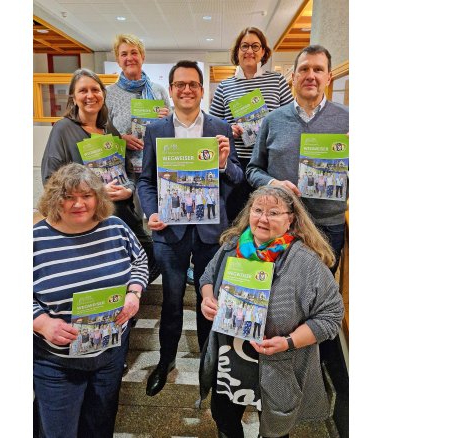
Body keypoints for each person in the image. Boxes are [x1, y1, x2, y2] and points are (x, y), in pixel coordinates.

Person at [199, 185, 343, 438]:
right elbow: (207, 276)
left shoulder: (306, 262)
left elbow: (331, 316)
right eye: (258, 210)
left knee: (275, 431)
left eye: (274, 213)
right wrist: (207, 298)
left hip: (277, 364)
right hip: (230, 359)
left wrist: (289, 342)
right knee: (224, 419)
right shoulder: (233, 246)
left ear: (291, 219)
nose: (263, 218)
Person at [136, 60, 243, 397]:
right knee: (170, 302)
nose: (186, 89)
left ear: (201, 89)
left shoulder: (219, 127)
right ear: (170, 90)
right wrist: (151, 213)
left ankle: (207, 366)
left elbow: (238, 179)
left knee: (207, 301)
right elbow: (145, 181)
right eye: (179, 84)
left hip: (211, 232)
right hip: (170, 232)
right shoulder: (155, 130)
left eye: (192, 84)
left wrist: (224, 163)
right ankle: (166, 360)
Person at [33, 163, 148, 438]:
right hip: (56, 362)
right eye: (69, 197)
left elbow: (140, 260)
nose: (78, 204)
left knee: (100, 427)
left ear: (98, 197)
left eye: (86, 195)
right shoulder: (35, 239)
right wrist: (41, 321)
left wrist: (134, 292)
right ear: (54, 199)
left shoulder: (115, 227)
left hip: (109, 353)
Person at [40, 68, 161, 286]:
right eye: (83, 90)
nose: (90, 95)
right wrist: (94, 193)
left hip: (122, 212)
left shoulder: (109, 130)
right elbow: (50, 179)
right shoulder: (63, 129)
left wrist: (129, 190)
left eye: (95, 89)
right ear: (73, 97)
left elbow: (127, 172)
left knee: (152, 255)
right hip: (87, 216)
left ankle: (127, 296)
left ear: (103, 94)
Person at [246, 44, 349, 271]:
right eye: (304, 69)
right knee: (276, 290)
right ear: (293, 77)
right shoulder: (273, 120)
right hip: (279, 224)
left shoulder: (348, 120)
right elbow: (252, 170)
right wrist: (274, 184)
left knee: (319, 293)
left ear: (329, 77)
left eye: (318, 69)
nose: (310, 76)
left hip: (327, 225)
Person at [208, 27, 294, 225]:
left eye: (256, 46)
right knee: (237, 218)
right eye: (244, 46)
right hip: (236, 164)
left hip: (268, 164)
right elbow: (213, 125)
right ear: (237, 51)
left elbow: (290, 117)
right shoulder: (224, 86)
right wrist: (229, 128)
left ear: (263, 51)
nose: (250, 51)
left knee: (268, 218)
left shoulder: (277, 81)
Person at [106, 34, 171, 181]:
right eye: (124, 54)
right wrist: (120, 140)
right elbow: (100, 132)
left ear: (142, 57)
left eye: (134, 52)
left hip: (155, 168)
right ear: (118, 60)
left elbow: (172, 129)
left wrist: (167, 120)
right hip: (122, 170)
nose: (129, 58)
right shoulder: (108, 94)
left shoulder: (158, 91)